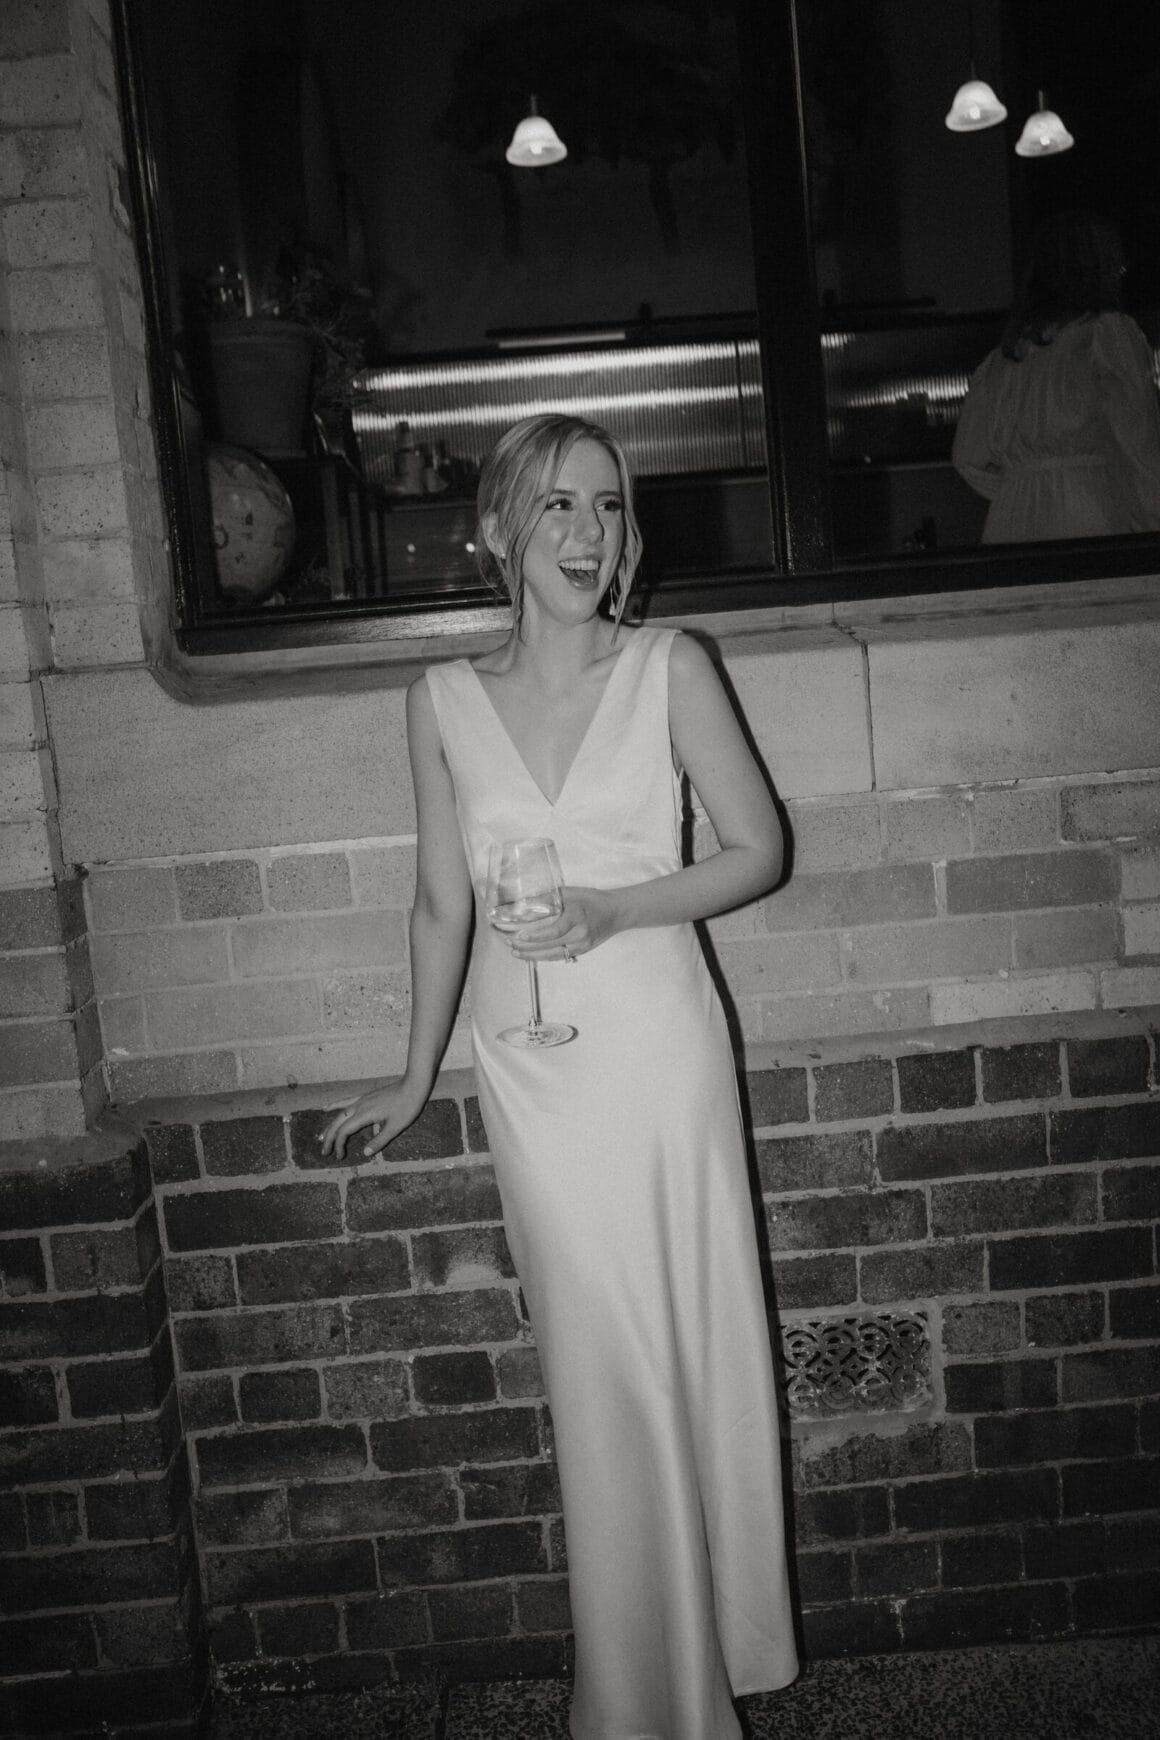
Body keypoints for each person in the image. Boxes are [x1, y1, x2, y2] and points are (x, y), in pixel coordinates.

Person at [322, 412, 798, 1736]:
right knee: (599, 1365)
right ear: (498, 529)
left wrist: (615, 910)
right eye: (557, 506)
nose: (588, 533)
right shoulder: (437, 702)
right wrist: (414, 1074)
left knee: (675, 1347)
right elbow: (440, 905)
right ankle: (648, 1683)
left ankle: (672, 1686)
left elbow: (759, 849)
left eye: (608, 505)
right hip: (527, 1075)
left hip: (657, 1049)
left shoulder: (668, 667)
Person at [952, 210, 1160, 542]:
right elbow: (1138, 440)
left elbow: (968, 458)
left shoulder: (1003, 359)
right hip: (1089, 509)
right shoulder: (1106, 335)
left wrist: (1022, 487)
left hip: (1011, 520)